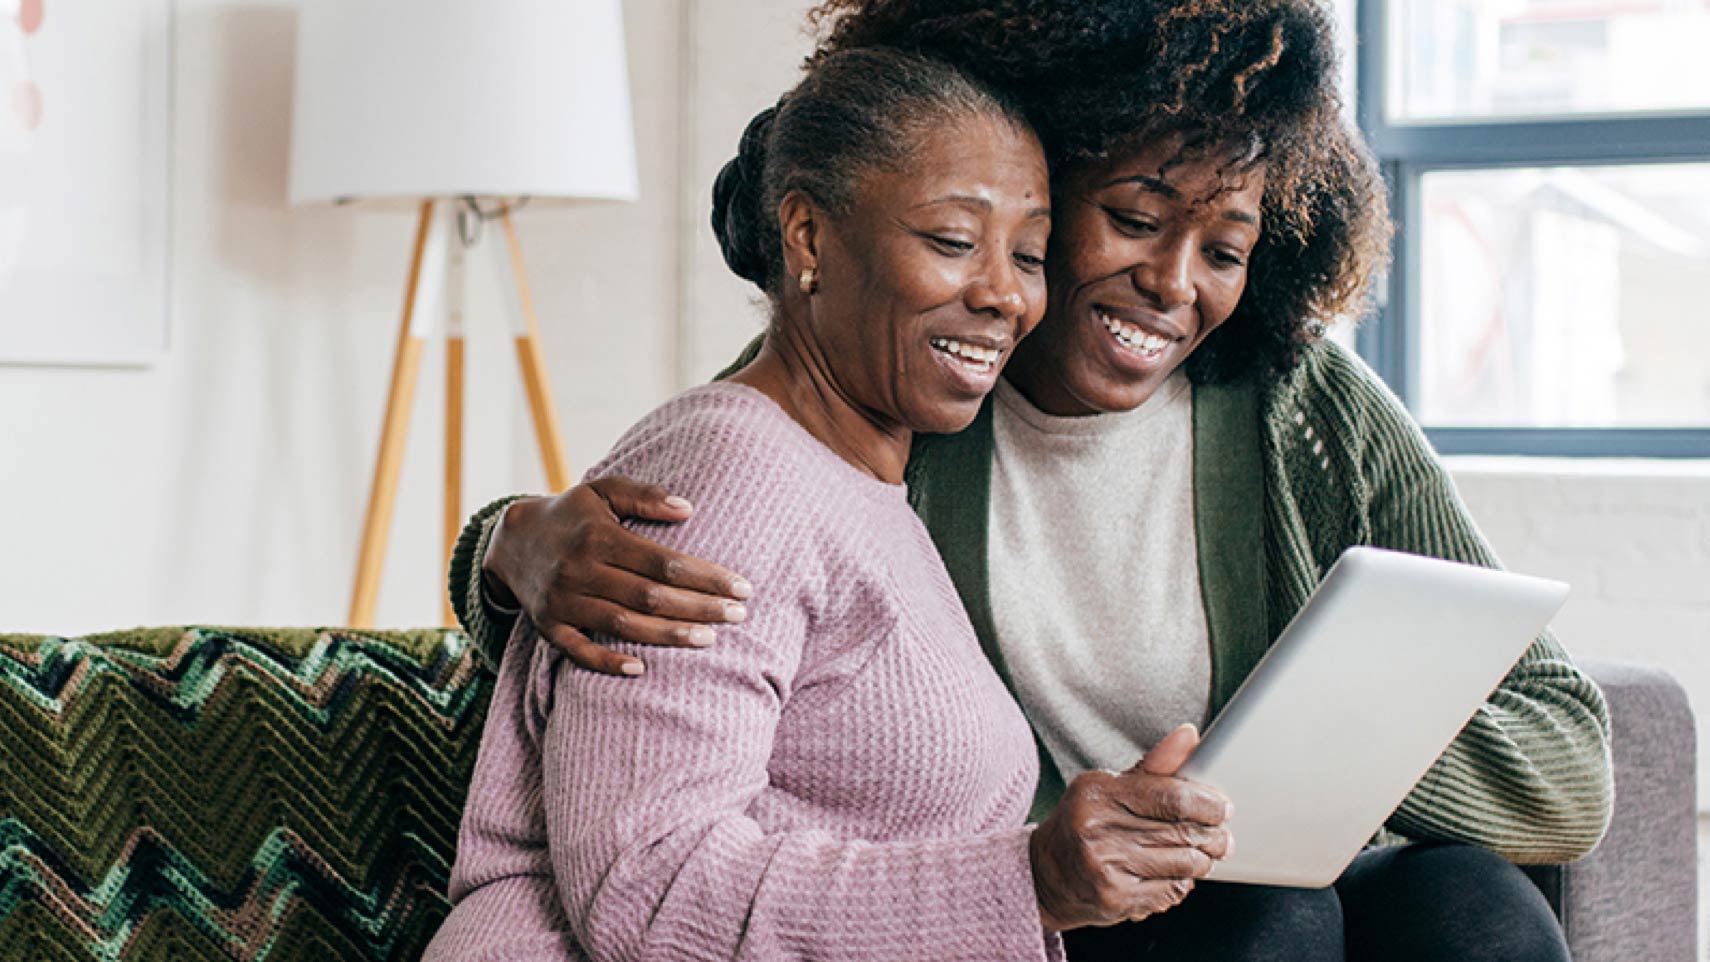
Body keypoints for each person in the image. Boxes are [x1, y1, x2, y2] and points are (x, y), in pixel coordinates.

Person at [448, 2, 1614, 960]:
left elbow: (1569, 759)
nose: (1174, 283)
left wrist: (1312, 731)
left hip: (1224, 871)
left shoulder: (1301, 409)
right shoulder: (913, 380)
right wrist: (509, 543)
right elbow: (712, 502)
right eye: (1134, 218)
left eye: (1224, 248)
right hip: (1050, 897)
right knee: (1270, 922)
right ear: (1048, 177)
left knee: (1475, 906)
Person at [425, 45, 1240, 962]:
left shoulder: (868, 486)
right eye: (953, 242)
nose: (1005, 295)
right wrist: (1032, 883)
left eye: (1028, 255)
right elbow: (652, 889)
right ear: (809, 239)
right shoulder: (730, 472)